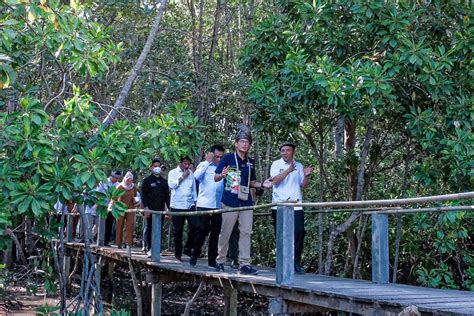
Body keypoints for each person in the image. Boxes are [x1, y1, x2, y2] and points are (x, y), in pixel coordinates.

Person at [214, 124, 272, 275]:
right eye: (242, 141)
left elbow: (251, 182)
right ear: (236, 143)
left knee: (246, 231)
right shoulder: (227, 158)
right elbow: (216, 177)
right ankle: (220, 260)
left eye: (247, 142)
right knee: (226, 231)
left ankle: (244, 263)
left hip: (246, 201)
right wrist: (222, 175)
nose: (244, 144)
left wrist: (261, 184)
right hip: (230, 201)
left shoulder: (251, 162)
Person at [270, 141, 313, 274]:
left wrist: (306, 176)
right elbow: (274, 181)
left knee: (299, 232)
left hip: (296, 205)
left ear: (293, 152)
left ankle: (295, 262)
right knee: (281, 235)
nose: (285, 153)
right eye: (282, 150)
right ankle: (282, 263)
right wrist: (289, 170)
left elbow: (304, 185)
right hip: (279, 205)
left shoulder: (299, 165)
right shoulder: (276, 164)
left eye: (288, 150)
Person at [189, 145, 225, 267]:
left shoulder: (224, 167)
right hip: (204, 204)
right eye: (216, 157)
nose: (219, 159)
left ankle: (212, 261)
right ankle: (195, 254)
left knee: (215, 234)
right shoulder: (204, 165)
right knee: (201, 232)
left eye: (221, 157)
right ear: (211, 155)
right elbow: (196, 176)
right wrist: (207, 162)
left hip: (218, 205)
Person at [168, 156, 198, 261]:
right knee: (178, 230)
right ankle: (178, 253)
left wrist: (195, 202)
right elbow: (171, 185)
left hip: (190, 205)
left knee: (195, 226)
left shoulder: (191, 173)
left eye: (188, 163)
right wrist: (182, 177)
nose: (187, 165)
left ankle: (188, 248)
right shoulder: (173, 172)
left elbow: (193, 189)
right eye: (185, 163)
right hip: (177, 206)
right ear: (180, 163)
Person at [141, 159, 170, 255]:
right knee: (149, 228)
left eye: (158, 165)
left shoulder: (164, 182)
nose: (157, 167)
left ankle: (157, 248)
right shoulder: (147, 181)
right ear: (151, 167)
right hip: (150, 210)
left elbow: (167, 196)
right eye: (155, 165)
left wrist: (168, 209)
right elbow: (143, 195)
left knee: (159, 229)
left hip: (160, 210)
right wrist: (146, 208)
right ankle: (149, 248)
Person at [112, 171, 139, 248]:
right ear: (125, 179)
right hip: (120, 208)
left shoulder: (133, 187)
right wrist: (113, 206)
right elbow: (114, 198)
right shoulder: (120, 186)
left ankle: (128, 243)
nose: (129, 181)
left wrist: (137, 202)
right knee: (119, 225)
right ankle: (118, 243)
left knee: (130, 225)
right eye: (128, 180)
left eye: (131, 180)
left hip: (130, 208)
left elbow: (135, 196)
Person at [98, 170, 122, 246]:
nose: (116, 179)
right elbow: (98, 193)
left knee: (109, 224)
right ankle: (100, 240)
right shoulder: (104, 182)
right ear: (111, 176)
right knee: (101, 223)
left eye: (118, 178)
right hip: (103, 206)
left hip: (112, 208)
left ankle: (106, 241)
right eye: (115, 177)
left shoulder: (119, 185)